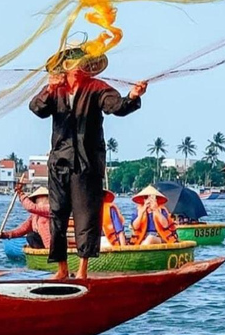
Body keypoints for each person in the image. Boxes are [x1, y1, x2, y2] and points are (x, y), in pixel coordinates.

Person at [29, 43, 148, 279]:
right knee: (58, 216)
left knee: (86, 217)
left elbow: (118, 106)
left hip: (87, 164)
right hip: (59, 163)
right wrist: (49, 90)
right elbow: (37, 109)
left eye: (80, 62)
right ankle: (62, 269)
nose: (76, 67)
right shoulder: (55, 90)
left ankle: (82, 270)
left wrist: (133, 97)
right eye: (72, 62)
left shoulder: (97, 88)